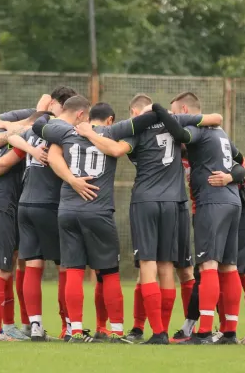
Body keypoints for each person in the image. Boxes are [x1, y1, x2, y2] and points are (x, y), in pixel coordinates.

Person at [75, 94, 222, 344]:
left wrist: (89, 133)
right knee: (167, 266)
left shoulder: (137, 129)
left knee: (148, 265)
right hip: (174, 202)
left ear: (134, 111)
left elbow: (115, 149)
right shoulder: (173, 121)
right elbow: (213, 119)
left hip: (146, 200)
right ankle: (167, 329)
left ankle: (158, 332)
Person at [37, 97, 159, 343]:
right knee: (110, 272)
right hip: (98, 211)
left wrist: (44, 110)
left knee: (73, 270)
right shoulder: (113, 132)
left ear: (84, 116)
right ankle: (115, 330)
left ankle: (77, 330)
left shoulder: (66, 132)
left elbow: (40, 128)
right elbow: (143, 122)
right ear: (110, 119)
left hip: (68, 209)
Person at [153, 92, 244, 345]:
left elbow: (182, 134)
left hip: (212, 202)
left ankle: (203, 331)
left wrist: (160, 111)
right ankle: (229, 332)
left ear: (184, 109)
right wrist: (231, 178)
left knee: (208, 266)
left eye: (175, 113)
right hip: (232, 202)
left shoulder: (200, 130)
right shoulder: (221, 134)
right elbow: (241, 163)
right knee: (229, 267)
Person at [0, 105, 50, 341]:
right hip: (1, 206)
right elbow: (2, 162)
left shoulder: (1, 138)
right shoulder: (24, 138)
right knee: (1, 269)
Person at [205, 163, 245, 345]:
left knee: (230, 273)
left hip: (242, 216)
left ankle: (227, 331)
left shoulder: (212, 145)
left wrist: (229, 177)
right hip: (242, 215)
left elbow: (241, 167)